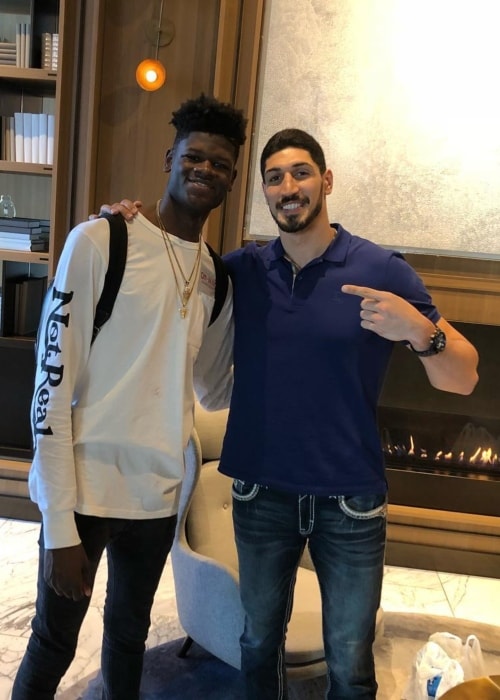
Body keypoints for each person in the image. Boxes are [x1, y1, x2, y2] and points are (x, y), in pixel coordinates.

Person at [104, 128, 479, 700]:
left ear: (326, 181)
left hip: (350, 499)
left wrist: (418, 331)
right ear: (263, 191)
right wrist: (123, 224)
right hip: (260, 494)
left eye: (301, 172)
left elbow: (465, 377)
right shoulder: (240, 271)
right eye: (274, 177)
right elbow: (165, 270)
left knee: (351, 662)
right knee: (257, 645)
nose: (288, 187)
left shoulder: (381, 268)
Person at [12, 93, 247, 700]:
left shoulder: (218, 278)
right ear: (171, 157)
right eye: (194, 157)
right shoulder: (98, 241)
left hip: (158, 496)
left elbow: (215, 387)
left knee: (127, 637)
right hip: (86, 489)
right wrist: (58, 523)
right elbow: (50, 388)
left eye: (220, 164)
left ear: (232, 178)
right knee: (53, 641)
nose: (204, 171)